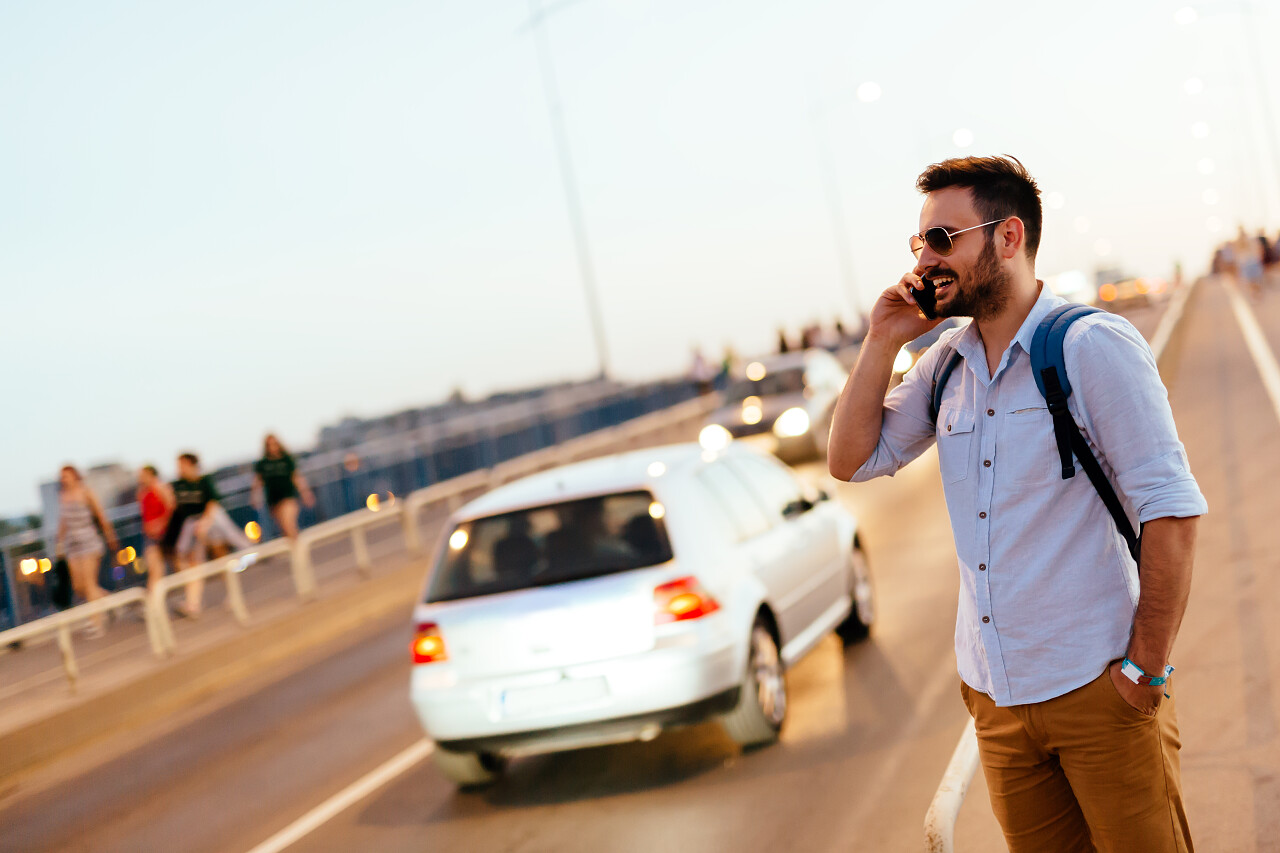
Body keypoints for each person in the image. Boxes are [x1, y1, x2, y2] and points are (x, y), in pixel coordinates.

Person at [828, 155, 1206, 852]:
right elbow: (851, 459)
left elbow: (1172, 512)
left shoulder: (1093, 347)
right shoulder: (944, 365)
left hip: (1100, 685)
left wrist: (1144, 670)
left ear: (1008, 238)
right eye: (919, 244)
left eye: (944, 239)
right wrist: (883, 338)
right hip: (996, 702)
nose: (924, 262)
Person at [162, 452, 252, 618]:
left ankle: (249, 555)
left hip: (209, 522)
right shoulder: (177, 485)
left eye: (181, 465)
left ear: (191, 464)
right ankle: (193, 603)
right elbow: (173, 506)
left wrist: (204, 525)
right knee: (192, 562)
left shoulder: (203, 482)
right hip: (192, 525)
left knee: (218, 557)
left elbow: (212, 504)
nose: (179, 469)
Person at [53, 466, 119, 637]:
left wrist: (110, 536)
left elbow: (101, 516)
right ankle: (111, 603)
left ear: (75, 476)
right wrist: (59, 542)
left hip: (89, 542)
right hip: (72, 545)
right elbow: (64, 521)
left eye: (66, 476)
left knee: (90, 584)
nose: (63, 479)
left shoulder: (86, 492)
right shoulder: (63, 496)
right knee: (79, 586)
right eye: (62, 477)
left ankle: (96, 623)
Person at [251, 434, 315, 541]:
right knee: (285, 530)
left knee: (289, 524)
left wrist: (306, 493)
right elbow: (257, 482)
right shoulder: (263, 464)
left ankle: (299, 551)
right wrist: (255, 497)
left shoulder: (286, 460)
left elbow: (296, 477)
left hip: (288, 496)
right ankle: (297, 553)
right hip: (274, 500)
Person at [136, 465, 174, 593]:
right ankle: (154, 604)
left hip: (165, 533)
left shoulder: (161, 487)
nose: (140, 478)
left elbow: (170, 507)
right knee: (155, 569)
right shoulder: (142, 493)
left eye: (142, 475)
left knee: (178, 564)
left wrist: (161, 524)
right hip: (150, 535)